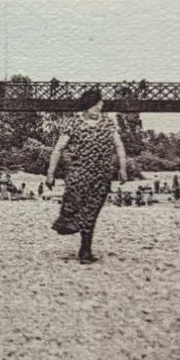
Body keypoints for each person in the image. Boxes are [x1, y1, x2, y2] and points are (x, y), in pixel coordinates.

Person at [45, 88, 128, 264]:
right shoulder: (73, 123)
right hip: (78, 174)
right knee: (72, 207)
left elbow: (119, 146)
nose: (100, 107)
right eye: (96, 104)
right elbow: (58, 148)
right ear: (87, 105)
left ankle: (85, 249)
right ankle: (68, 226)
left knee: (92, 212)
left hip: (101, 176)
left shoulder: (108, 123)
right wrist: (50, 172)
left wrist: (123, 168)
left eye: (100, 104)